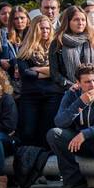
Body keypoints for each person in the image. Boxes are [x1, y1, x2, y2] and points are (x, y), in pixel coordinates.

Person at [14, 14, 64, 149]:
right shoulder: (25, 48)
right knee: (28, 131)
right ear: (35, 30)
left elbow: (59, 72)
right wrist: (50, 72)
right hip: (30, 95)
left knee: (46, 130)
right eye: (42, 28)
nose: (46, 31)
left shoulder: (57, 48)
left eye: (48, 28)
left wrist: (38, 69)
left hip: (53, 94)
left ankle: (44, 161)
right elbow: (26, 74)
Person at [49, 5, 94, 89]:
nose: (80, 23)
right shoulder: (58, 42)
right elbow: (54, 73)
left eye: (83, 20)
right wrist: (71, 85)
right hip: (68, 90)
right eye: (76, 20)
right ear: (68, 22)